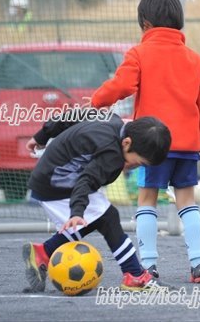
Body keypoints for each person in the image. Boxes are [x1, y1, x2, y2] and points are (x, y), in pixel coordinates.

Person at [89, 0, 200, 283]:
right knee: (187, 201)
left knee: (147, 200)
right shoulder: (195, 59)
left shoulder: (139, 53)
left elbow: (121, 85)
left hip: (152, 144)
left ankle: (148, 265)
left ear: (145, 24)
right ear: (178, 22)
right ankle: (199, 263)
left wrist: (96, 101)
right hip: (186, 146)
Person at [22, 109, 171, 292]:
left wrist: (41, 136)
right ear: (127, 143)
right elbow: (85, 181)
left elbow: (71, 115)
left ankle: (42, 253)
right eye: (139, 162)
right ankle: (135, 275)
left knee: (96, 219)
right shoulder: (111, 154)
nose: (134, 167)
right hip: (55, 182)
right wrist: (77, 212)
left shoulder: (113, 120)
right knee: (107, 217)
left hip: (48, 175)